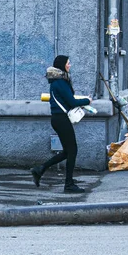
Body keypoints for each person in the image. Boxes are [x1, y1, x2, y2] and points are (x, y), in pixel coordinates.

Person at [30, 55, 92, 193]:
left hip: (58, 119)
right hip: (61, 119)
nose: (70, 65)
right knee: (72, 150)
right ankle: (68, 185)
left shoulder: (56, 81)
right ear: (62, 65)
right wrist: (87, 101)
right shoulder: (60, 82)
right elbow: (72, 102)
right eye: (68, 63)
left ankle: (40, 170)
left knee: (67, 152)